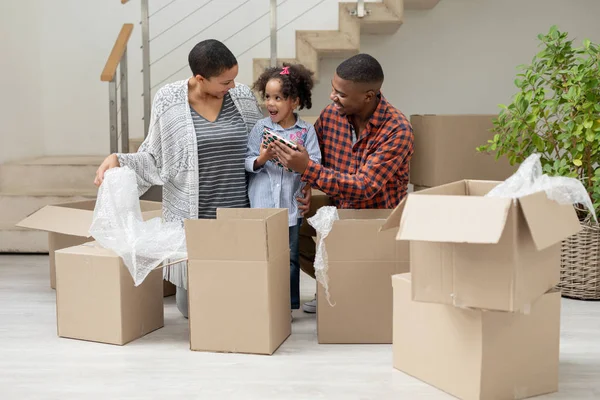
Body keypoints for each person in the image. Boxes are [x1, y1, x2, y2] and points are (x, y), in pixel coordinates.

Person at [94, 39, 309, 318]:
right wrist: (119, 160)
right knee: (193, 310)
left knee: (243, 306)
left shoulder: (242, 96)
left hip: (242, 216)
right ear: (200, 78)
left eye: (234, 79)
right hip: (195, 222)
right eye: (224, 82)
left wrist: (303, 184)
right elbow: (155, 157)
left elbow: (267, 147)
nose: (232, 86)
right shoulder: (169, 100)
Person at [270, 53, 414, 313]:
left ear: (368, 96)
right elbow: (316, 157)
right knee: (289, 222)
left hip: (376, 221)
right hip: (338, 208)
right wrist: (305, 186)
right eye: (333, 89)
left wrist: (306, 168)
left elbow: (364, 187)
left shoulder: (397, 130)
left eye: (341, 94)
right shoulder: (332, 115)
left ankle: (355, 286)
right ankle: (334, 281)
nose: (332, 97)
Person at [246, 63, 321, 313]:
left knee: (289, 258)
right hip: (262, 206)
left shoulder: (307, 131)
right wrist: (263, 157)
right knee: (261, 256)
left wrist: (304, 167)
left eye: (278, 97)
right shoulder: (260, 128)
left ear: (295, 102)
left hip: (290, 207)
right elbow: (247, 161)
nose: (271, 103)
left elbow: (316, 163)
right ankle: (261, 301)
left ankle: (287, 305)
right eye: (267, 97)